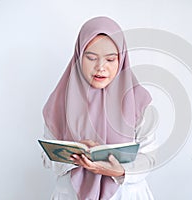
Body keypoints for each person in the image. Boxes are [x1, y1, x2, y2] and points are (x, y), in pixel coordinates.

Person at [41, 16, 157, 200]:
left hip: (126, 194)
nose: (100, 67)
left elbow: (149, 158)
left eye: (110, 59)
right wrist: (75, 156)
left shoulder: (139, 102)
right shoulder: (59, 102)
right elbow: (47, 158)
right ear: (79, 56)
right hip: (70, 194)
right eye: (91, 58)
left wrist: (119, 170)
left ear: (122, 60)